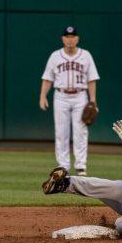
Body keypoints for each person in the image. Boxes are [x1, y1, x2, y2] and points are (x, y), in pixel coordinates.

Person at [39, 26, 99, 177]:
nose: (70, 39)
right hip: (60, 96)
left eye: (73, 36)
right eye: (67, 36)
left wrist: (92, 101)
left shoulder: (86, 55)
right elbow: (47, 78)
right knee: (61, 132)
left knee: (80, 131)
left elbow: (91, 79)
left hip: (80, 96)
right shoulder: (55, 56)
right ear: (63, 39)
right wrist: (42, 96)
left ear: (77, 38)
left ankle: (81, 166)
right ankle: (63, 166)